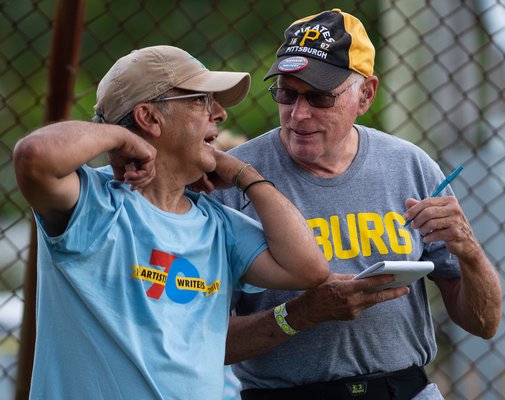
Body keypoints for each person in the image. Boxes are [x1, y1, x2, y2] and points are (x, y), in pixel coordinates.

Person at [208, 9, 502, 400]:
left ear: (365, 94)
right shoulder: (233, 178)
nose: (298, 114)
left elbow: (484, 323)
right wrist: (301, 314)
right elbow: (204, 340)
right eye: (286, 93)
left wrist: (468, 250)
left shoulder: (409, 165)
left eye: (319, 97)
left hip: (404, 388)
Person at [12, 45, 330, 400]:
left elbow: (308, 269)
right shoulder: (95, 202)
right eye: (202, 101)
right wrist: (121, 137)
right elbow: (34, 156)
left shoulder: (215, 222)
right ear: (149, 118)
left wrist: (246, 176)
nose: (221, 114)